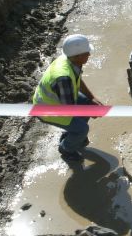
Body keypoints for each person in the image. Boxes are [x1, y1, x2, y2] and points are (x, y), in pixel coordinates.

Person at [33, 34, 102, 162]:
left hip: (58, 100)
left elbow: (77, 80)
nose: (89, 55)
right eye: (87, 53)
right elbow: (69, 109)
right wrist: (91, 112)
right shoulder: (63, 77)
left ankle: (71, 134)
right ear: (77, 56)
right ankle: (66, 149)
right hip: (47, 109)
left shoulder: (69, 59)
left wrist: (92, 98)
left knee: (87, 104)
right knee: (83, 129)